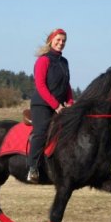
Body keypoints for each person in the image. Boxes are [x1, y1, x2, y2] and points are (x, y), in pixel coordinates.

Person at [27, 28, 74, 183]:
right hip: (42, 105)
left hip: (60, 105)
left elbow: (67, 85)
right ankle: (32, 168)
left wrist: (71, 103)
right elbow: (40, 86)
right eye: (58, 40)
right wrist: (56, 105)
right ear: (51, 41)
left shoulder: (64, 62)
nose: (61, 43)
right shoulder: (43, 60)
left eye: (64, 41)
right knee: (41, 132)